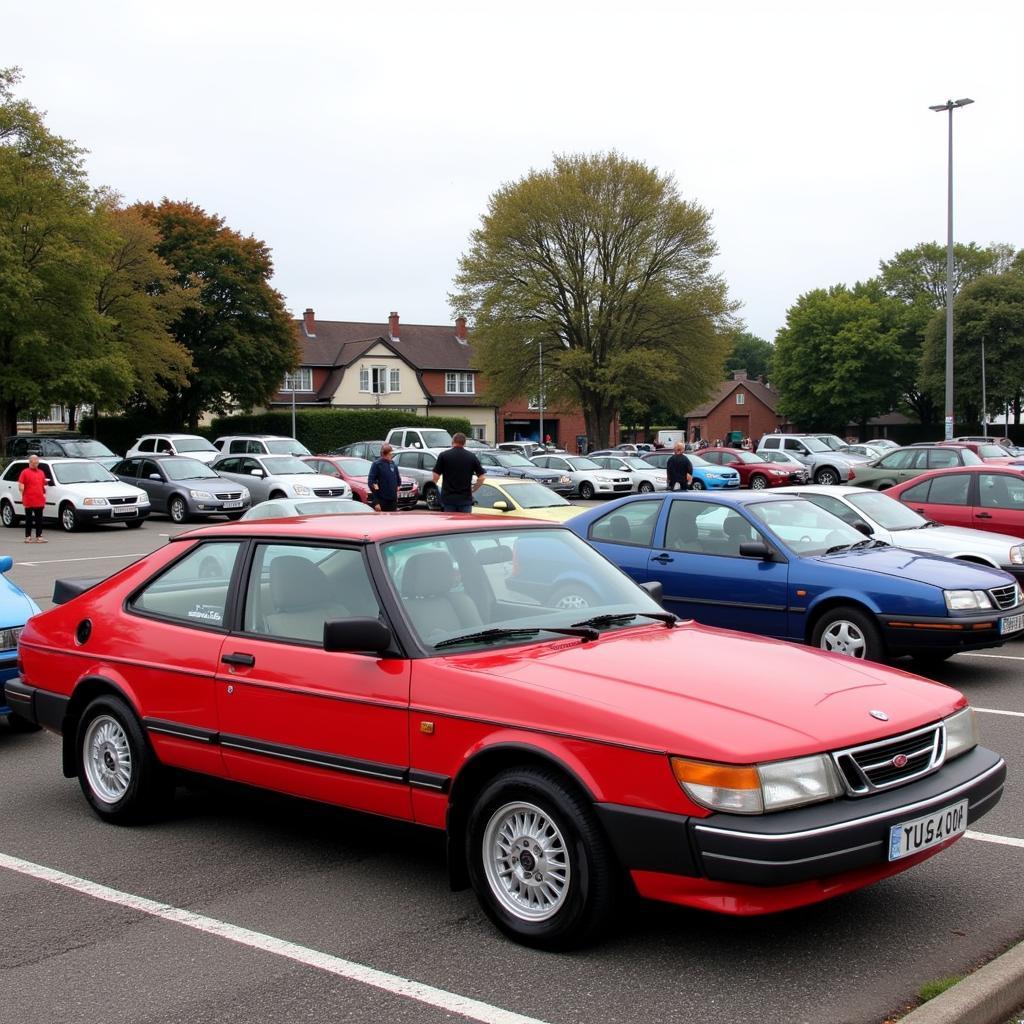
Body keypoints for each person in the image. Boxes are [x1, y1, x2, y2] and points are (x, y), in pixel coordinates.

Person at [432, 432, 486, 513]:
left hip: (448, 499)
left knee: (450, 524)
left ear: (452, 441)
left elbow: (435, 476)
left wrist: (436, 491)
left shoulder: (444, 455)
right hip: (465, 499)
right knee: (464, 524)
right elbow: (482, 477)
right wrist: (473, 489)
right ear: (464, 443)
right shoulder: (471, 457)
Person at [18, 453, 47, 543]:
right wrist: (22, 495)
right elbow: (21, 485)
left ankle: (39, 536)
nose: (36, 464)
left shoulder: (41, 472)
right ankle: (28, 537)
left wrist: (44, 494)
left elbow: (43, 485)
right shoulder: (25, 472)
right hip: (29, 500)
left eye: (37, 463)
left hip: (39, 500)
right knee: (29, 519)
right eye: (34, 463)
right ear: (30, 462)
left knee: (39, 519)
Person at [367, 444, 402, 511]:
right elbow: (371, 483)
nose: (391, 455)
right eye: (390, 453)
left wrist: (397, 488)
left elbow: (398, 480)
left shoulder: (393, 464)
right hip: (382, 501)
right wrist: (376, 502)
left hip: (393, 501)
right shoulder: (377, 464)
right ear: (384, 454)